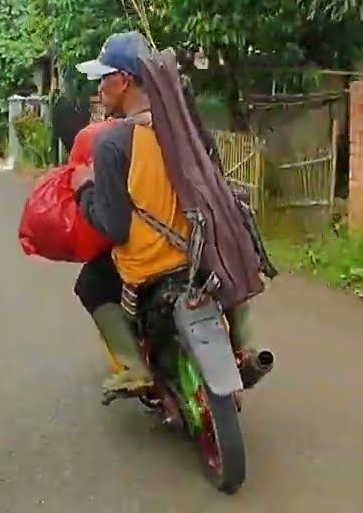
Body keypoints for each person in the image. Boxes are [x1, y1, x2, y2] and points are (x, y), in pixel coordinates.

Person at [71, 31, 258, 394]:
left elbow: (114, 226)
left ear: (123, 81)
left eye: (102, 79)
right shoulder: (188, 130)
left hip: (150, 266)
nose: (98, 89)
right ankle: (245, 347)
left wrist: (85, 190)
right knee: (230, 264)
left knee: (91, 284)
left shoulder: (111, 144)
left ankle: (134, 367)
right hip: (204, 252)